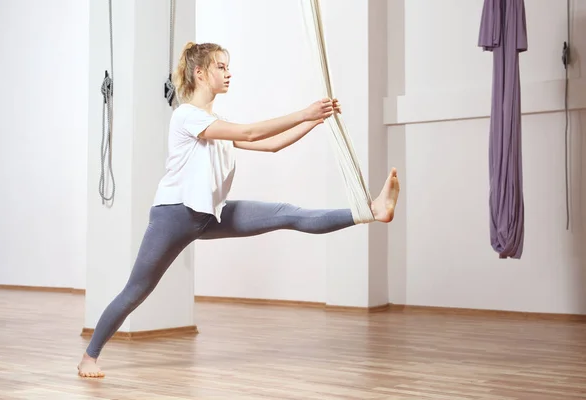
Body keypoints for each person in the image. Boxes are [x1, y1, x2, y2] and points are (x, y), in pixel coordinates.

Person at [77, 41, 400, 378]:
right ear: (200, 73)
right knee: (137, 290)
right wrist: (304, 112)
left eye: (228, 67)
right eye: (221, 67)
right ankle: (89, 357)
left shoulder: (217, 120)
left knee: (287, 213)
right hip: (173, 216)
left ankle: (371, 210)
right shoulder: (186, 116)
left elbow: (270, 144)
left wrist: (317, 121)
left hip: (210, 215)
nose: (228, 73)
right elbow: (249, 131)